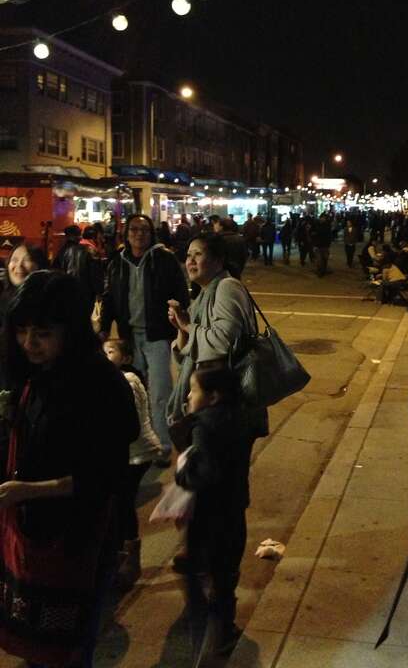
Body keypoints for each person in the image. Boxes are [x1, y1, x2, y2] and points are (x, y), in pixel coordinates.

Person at [0, 271, 139, 667]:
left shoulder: (100, 385)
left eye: (42, 333)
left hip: (78, 540)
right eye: (22, 331)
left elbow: (106, 476)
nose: (29, 342)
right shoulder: (35, 372)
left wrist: (28, 490)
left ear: (71, 330)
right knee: (35, 648)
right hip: (31, 536)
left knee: (66, 653)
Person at [166, 233, 268, 580]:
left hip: (227, 409)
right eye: (188, 255)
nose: (190, 261)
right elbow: (192, 351)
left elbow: (222, 343)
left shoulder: (227, 288)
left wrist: (188, 326)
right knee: (203, 484)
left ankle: (222, 574)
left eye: (198, 254)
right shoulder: (205, 293)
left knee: (225, 493)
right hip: (207, 404)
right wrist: (182, 329)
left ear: (219, 260)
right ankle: (198, 551)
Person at [100, 214, 189, 465]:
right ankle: (139, 444)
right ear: (126, 233)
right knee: (134, 391)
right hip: (128, 336)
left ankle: (163, 445)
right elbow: (109, 297)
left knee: (160, 392)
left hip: (157, 336)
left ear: (152, 233)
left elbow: (181, 293)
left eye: (144, 230)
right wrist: (104, 328)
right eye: (134, 229)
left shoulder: (164, 259)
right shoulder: (117, 262)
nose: (139, 234)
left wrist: (179, 321)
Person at [174, 366, 250, 661]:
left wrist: (182, 473)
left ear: (214, 396)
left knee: (201, 579)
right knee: (226, 575)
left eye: (193, 390)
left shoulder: (203, 426)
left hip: (208, 517)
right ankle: (225, 630)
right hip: (234, 511)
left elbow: (204, 473)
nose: (188, 396)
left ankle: (210, 643)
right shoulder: (239, 418)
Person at [102, 338, 161, 590]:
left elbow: (129, 422)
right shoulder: (116, 379)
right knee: (119, 502)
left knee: (123, 502)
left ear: (125, 358)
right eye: (103, 352)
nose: (105, 356)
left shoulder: (128, 381)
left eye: (110, 352)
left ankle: (129, 557)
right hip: (130, 453)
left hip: (137, 453)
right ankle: (119, 555)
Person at [52, 225, 104, 316]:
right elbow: (95, 275)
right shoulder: (89, 251)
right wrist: (99, 292)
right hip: (86, 294)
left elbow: (55, 273)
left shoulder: (62, 252)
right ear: (78, 236)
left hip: (67, 294)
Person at [0, 243, 48, 327]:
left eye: (27, 260)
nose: (19, 266)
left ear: (40, 266)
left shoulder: (49, 302)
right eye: (14, 259)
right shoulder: (4, 298)